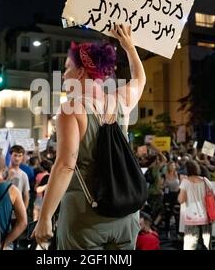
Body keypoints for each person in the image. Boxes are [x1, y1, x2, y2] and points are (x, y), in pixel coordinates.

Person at [34, 24, 146, 250]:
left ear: (81, 72)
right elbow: (139, 79)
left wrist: (45, 216)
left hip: (86, 216)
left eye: (67, 68)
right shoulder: (121, 100)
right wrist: (129, 47)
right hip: (126, 215)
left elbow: (66, 166)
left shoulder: (71, 109)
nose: (64, 75)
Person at [178, 160, 213, 250]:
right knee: (207, 245)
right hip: (205, 217)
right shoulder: (205, 181)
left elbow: (180, 199)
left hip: (191, 219)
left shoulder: (185, 183)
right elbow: (212, 194)